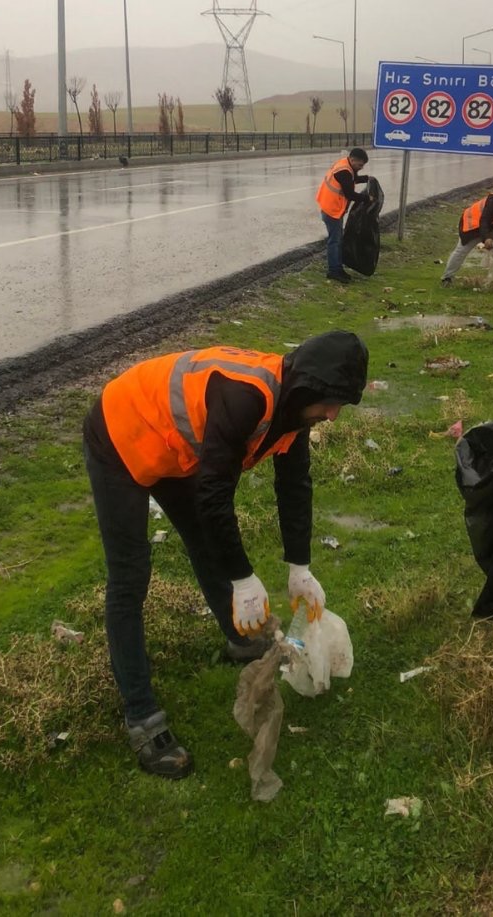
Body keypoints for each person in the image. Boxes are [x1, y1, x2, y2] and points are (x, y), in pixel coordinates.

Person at [82, 329, 369, 778]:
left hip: (173, 446)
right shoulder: (247, 398)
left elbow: (294, 488)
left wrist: (300, 567)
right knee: (130, 576)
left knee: (202, 537)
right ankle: (142, 717)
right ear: (309, 385)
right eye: (331, 401)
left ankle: (239, 638)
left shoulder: (294, 411)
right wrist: (242, 579)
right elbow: (215, 496)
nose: (333, 415)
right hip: (121, 430)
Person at [316, 146, 369, 284]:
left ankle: (337, 268)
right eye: (360, 164)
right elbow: (350, 194)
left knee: (337, 240)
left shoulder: (345, 165)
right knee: (335, 241)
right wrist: (367, 199)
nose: (361, 167)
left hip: (330, 206)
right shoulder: (344, 171)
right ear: (352, 159)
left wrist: (367, 179)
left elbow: (352, 180)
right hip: (332, 210)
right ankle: (333, 270)